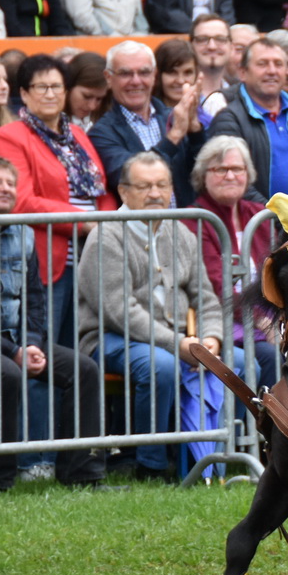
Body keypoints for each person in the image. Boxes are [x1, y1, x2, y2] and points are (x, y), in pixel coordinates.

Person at [0, 155, 107, 488]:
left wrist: (31, 343)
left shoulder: (24, 231)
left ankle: (81, 473)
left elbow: (35, 298)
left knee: (84, 369)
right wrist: (13, 351)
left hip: (16, 339)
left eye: (11, 183)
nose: (6, 189)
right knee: (7, 373)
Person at [79, 152, 225, 481]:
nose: (155, 194)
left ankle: (220, 460)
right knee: (162, 365)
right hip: (108, 337)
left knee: (241, 362)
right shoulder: (106, 235)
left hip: (177, 339)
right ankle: (151, 465)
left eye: (162, 185)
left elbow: (205, 298)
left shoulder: (181, 232)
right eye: (144, 186)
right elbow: (119, 311)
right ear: (123, 192)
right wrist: (178, 344)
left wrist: (211, 338)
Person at [0, 55, 117, 349]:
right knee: (45, 352)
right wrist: (83, 222)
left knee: (77, 354)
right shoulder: (10, 136)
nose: (50, 94)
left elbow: (102, 190)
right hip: (46, 263)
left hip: (89, 260)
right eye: (41, 87)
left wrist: (106, 222)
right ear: (24, 93)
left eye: (57, 87)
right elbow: (20, 200)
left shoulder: (78, 135)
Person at [183, 136, 278, 380]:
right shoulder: (196, 220)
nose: (230, 176)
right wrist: (261, 320)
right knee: (271, 357)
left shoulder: (259, 215)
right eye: (220, 169)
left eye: (237, 168)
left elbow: (278, 272)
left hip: (267, 318)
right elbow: (217, 285)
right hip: (223, 320)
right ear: (203, 175)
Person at [205, 39, 288, 202]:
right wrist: (274, 215)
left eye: (278, 64)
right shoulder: (228, 120)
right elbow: (233, 182)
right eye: (262, 64)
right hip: (259, 217)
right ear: (243, 72)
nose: (272, 71)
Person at [87, 39, 201, 203]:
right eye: (125, 73)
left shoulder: (173, 117)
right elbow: (132, 177)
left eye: (144, 72)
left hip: (184, 219)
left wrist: (196, 131)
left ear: (154, 75)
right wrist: (174, 136)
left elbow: (204, 174)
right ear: (109, 78)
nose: (136, 81)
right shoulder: (101, 133)